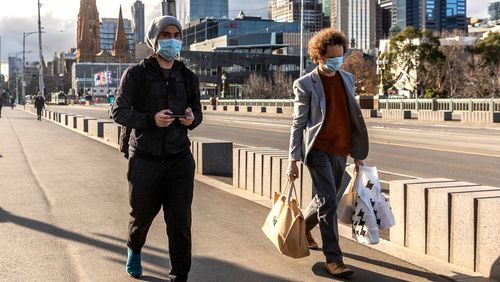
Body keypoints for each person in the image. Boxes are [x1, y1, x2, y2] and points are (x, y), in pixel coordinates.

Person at [112, 15, 202, 281]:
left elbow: (197, 112)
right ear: (154, 40)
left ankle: (179, 275)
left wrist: (191, 118)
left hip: (179, 160)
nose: (172, 40)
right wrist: (151, 120)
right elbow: (118, 112)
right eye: (165, 35)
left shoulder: (188, 77)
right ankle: (134, 248)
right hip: (145, 160)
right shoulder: (136, 74)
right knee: (140, 218)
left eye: (176, 35)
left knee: (180, 225)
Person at [286, 28, 369, 278]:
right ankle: (333, 259)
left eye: (340, 56)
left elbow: (351, 117)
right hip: (318, 150)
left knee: (326, 199)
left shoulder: (348, 79)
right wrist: (293, 160)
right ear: (318, 57)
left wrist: (357, 153)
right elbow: (298, 123)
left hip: (341, 149)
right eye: (332, 57)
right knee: (330, 203)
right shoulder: (305, 84)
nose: (337, 61)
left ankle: (303, 228)